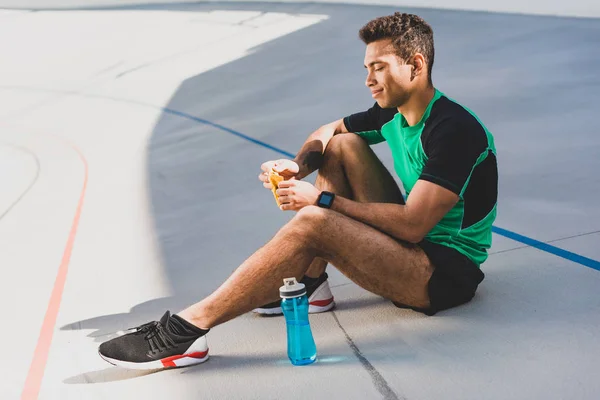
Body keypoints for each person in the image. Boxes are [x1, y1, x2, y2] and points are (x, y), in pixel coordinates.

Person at [98, 12, 498, 370]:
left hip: (441, 275)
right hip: (412, 248)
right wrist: (298, 166)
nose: (368, 80)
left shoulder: (454, 129)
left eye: (379, 67)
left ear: (416, 65)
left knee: (313, 222)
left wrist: (321, 200)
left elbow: (412, 226)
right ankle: (310, 283)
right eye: (366, 67)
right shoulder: (394, 113)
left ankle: (186, 331)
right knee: (342, 146)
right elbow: (329, 131)